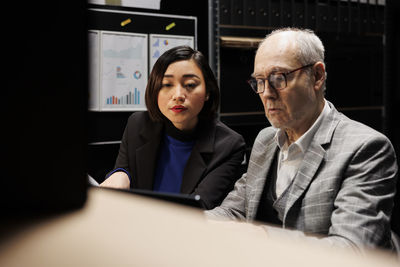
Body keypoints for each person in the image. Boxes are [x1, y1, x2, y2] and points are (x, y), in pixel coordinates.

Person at [206, 28, 399, 251]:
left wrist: (262, 236)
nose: (266, 93)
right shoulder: (266, 140)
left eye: (279, 78)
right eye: (259, 81)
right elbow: (234, 211)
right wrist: (191, 223)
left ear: (317, 76)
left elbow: (352, 249)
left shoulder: (366, 148)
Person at [100, 46, 246, 210]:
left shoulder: (229, 145)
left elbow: (198, 208)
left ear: (208, 92)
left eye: (190, 84)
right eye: (167, 84)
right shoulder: (138, 124)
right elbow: (123, 168)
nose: (178, 95)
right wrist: (120, 174)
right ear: (155, 89)